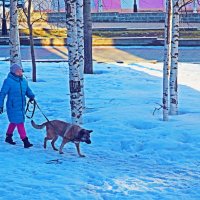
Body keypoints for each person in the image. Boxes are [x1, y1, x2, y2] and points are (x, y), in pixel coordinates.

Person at [0, 63, 35, 148]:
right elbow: (2, 94)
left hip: (21, 105)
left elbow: (27, 90)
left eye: (20, 70)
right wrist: (0, 105)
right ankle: (25, 141)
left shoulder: (23, 80)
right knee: (19, 122)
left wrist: (31, 96)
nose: (20, 72)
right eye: (18, 71)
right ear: (13, 72)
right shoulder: (8, 81)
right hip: (12, 106)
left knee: (14, 121)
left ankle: (8, 137)